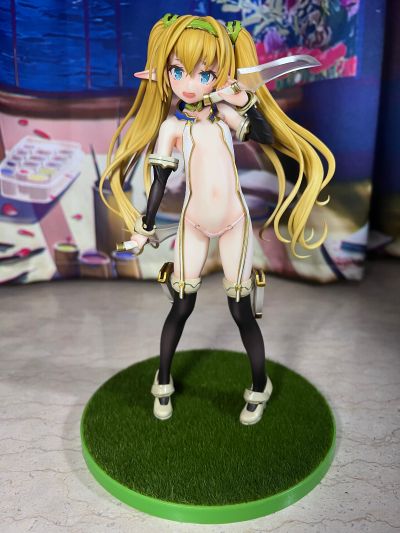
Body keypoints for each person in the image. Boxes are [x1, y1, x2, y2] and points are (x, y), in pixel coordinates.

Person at [100, 14, 335, 425]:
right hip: (192, 223)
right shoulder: (172, 127)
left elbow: (265, 136)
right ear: (163, 73)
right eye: (178, 71)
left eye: (204, 73)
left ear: (219, 74)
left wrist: (245, 103)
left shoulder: (225, 113)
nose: (189, 84)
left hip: (232, 223)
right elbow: (159, 183)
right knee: (181, 305)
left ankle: (260, 385)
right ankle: (162, 382)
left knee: (240, 309)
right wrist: (144, 228)